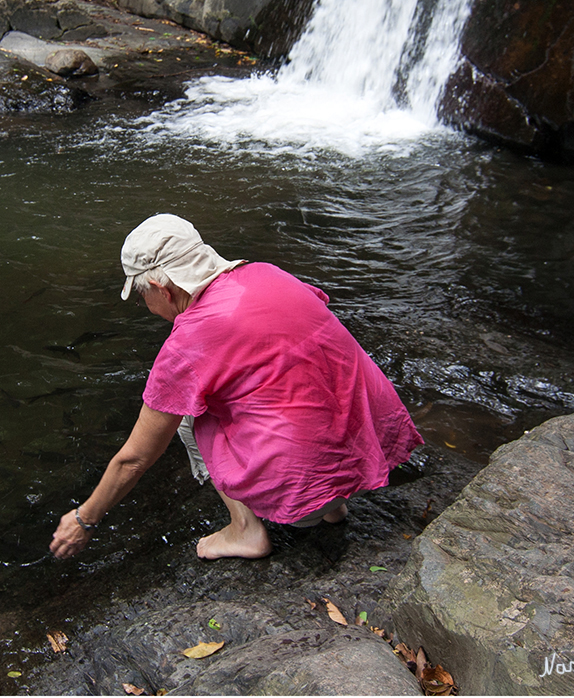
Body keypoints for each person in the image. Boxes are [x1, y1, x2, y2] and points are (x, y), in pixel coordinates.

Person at [50, 213, 423, 561]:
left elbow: (134, 458)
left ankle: (246, 529)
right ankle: (334, 504)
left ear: (159, 288)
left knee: (188, 412)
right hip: (371, 455)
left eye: (140, 297)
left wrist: (85, 518)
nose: (144, 305)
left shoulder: (188, 342)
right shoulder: (266, 273)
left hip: (302, 496)